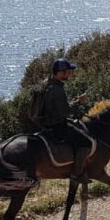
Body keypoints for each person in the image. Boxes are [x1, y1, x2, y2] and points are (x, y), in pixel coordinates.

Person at [40, 58, 92, 186]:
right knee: (86, 143)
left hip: (48, 124)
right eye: (68, 71)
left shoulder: (49, 85)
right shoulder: (57, 90)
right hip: (58, 126)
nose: (70, 74)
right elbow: (64, 112)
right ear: (60, 73)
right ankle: (77, 174)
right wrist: (79, 102)